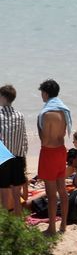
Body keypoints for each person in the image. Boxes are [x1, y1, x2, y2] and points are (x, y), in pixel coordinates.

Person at [37, 79, 71, 235]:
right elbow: (63, 133)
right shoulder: (63, 111)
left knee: (51, 193)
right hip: (61, 151)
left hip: (49, 152)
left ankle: (51, 227)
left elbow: (44, 139)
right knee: (62, 189)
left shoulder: (47, 113)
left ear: (45, 93)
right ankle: (63, 224)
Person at [0, 84, 28, 216]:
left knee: (4, 192)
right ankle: (18, 219)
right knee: (16, 192)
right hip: (18, 156)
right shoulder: (20, 115)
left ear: (2, 97)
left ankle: (6, 223)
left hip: (3, 157)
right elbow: (24, 138)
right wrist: (23, 157)